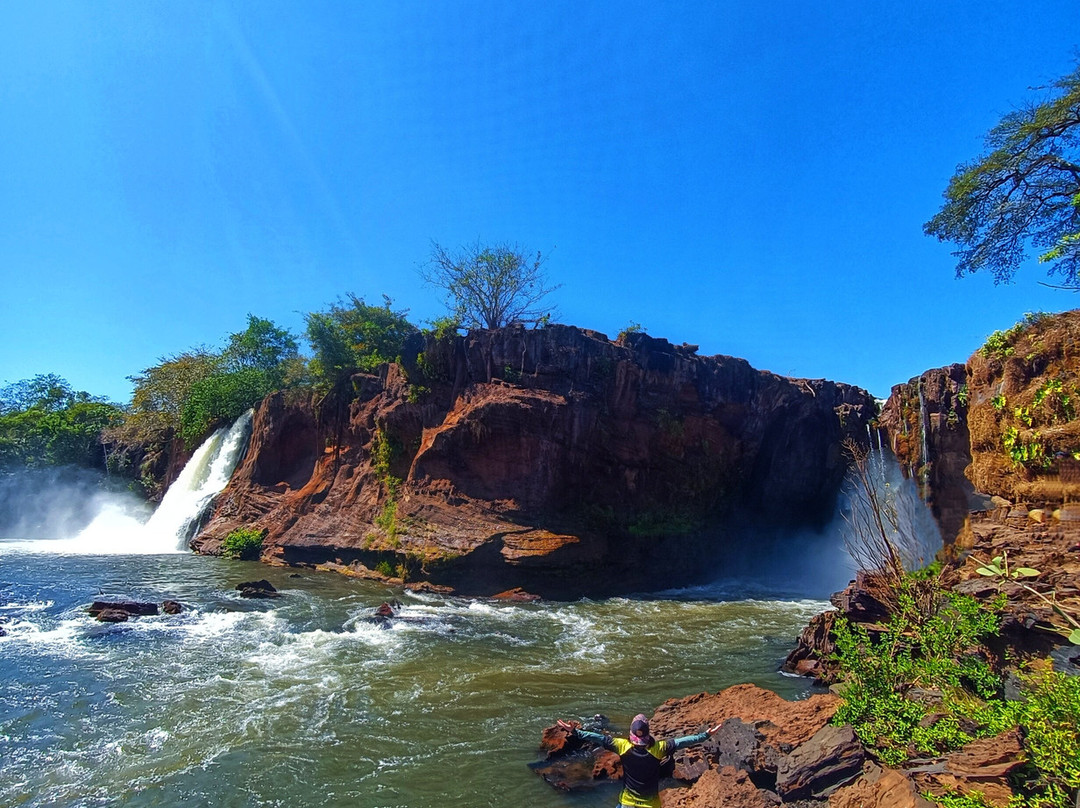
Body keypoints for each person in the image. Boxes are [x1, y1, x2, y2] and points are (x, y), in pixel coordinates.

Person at [557, 714, 722, 808]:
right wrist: (705, 735)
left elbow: (599, 739)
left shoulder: (622, 746)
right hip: (651, 805)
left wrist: (576, 732)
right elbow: (683, 741)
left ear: (631, 734)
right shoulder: (659, 748)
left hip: (627, 803)